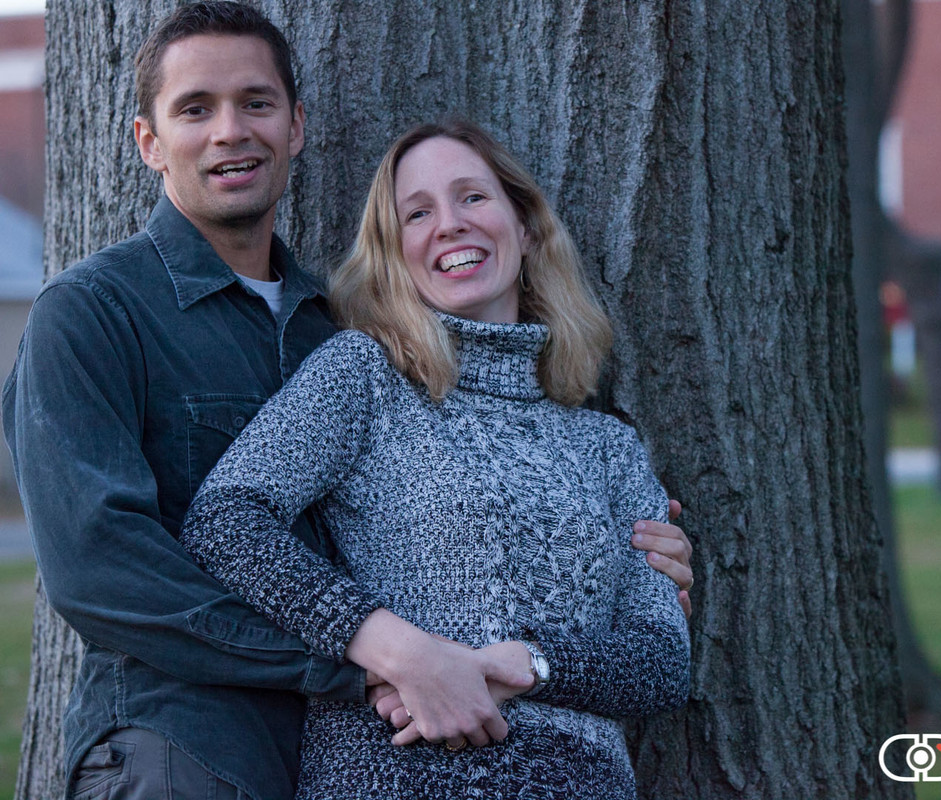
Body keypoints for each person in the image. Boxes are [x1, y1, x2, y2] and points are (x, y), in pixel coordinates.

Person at [1, 3, 693, 798]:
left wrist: (619, 552)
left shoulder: (344, 330)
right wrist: (373, 657)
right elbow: (103, 572)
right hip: (184, 743)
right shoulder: (94, 312)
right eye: (196, 109)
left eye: (255, 103)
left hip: (347, 744)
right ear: (148, 143)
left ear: (295, 126)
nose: (230, 130)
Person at [178, 118, 691, 799]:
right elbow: (225, 521)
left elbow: (661, 662)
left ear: (528, 226)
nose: (449, 225)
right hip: (394, 772)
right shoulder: (364, 377)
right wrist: (389, 646)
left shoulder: (607, 446)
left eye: (473, 198)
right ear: (395, 254)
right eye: (416, 214)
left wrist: (521, 666)